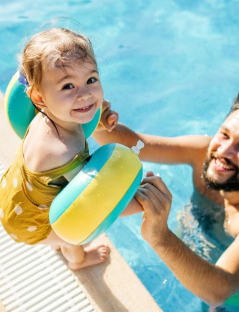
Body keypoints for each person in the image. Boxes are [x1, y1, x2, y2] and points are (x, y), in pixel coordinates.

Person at [0, 27, 147, 270]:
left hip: (13, 198)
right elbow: (95, 201)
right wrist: (142, 200)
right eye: (68, 86)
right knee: (73, 236)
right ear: (38, 97)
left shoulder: (45, 114)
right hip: (32, 223)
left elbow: (80, 109)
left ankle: (57, 241)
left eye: (91, 80)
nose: (85, 95)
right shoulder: (63, 151)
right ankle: (77, 261)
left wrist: (97, 117)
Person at [93, 96, 239, 306]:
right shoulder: (203, 152)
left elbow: (220, 291)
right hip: (191, 250)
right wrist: (101, 125)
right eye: (224, 135)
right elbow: (137, 144)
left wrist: (160, 236)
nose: (223, 151)